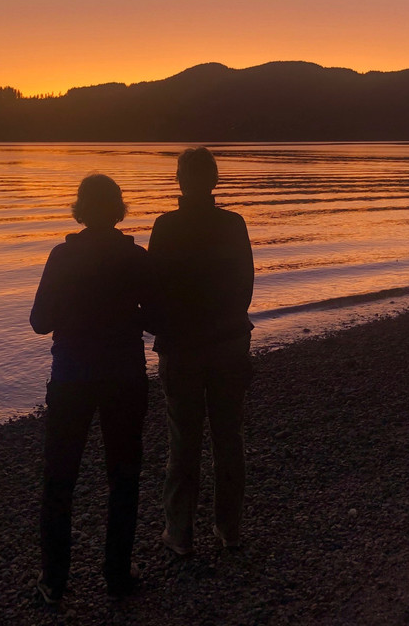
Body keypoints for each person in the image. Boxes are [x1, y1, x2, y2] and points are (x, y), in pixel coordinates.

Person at [29, 174, 149, 603]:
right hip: (124, 377)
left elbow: (40, 322)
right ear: (118, 210)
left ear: (80, 209)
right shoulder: (136, 258)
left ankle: (54, 580)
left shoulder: (62, 256)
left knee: (60, 479)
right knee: (123, 477)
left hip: (72, 378)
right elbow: (156, 318)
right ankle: (117, 574)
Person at [148, 146, 254, 555]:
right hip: (228, 342)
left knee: (183, 441)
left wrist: (164, 328)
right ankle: (229, 529)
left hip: (183, 348)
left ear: (180, 180)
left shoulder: (166, 227)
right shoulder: (233, 224)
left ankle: (180, 533)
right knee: (229, 438)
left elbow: (154, 290)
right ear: (214, 181)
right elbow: (245, 286)